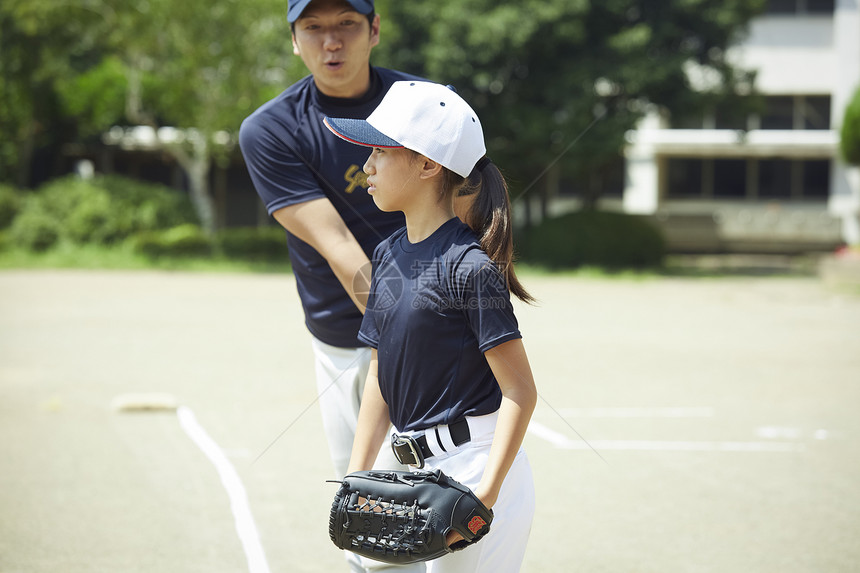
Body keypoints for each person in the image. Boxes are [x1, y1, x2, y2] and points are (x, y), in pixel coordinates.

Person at [238, 1, 428, 572]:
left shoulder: (424, 105)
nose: (331, 42)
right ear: (294, 41)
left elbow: (466, 212)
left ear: (374, 29)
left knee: (455, 510)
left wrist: (449, 327)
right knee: (377, 520)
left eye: (346, 24)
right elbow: (344, 252)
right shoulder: (271, 129)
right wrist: (406, 336)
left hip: (438, 330)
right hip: (348, 338)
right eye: (313, 28)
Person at [324, 80, 538, 573]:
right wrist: (358, 475)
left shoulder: (471, 268)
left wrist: (484, 496)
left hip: (475, 470)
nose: (366, 167)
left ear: (427, 164)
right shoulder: (387, 254)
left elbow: (520, 392)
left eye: (380, 150)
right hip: (414, 471)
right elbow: (380, 375)